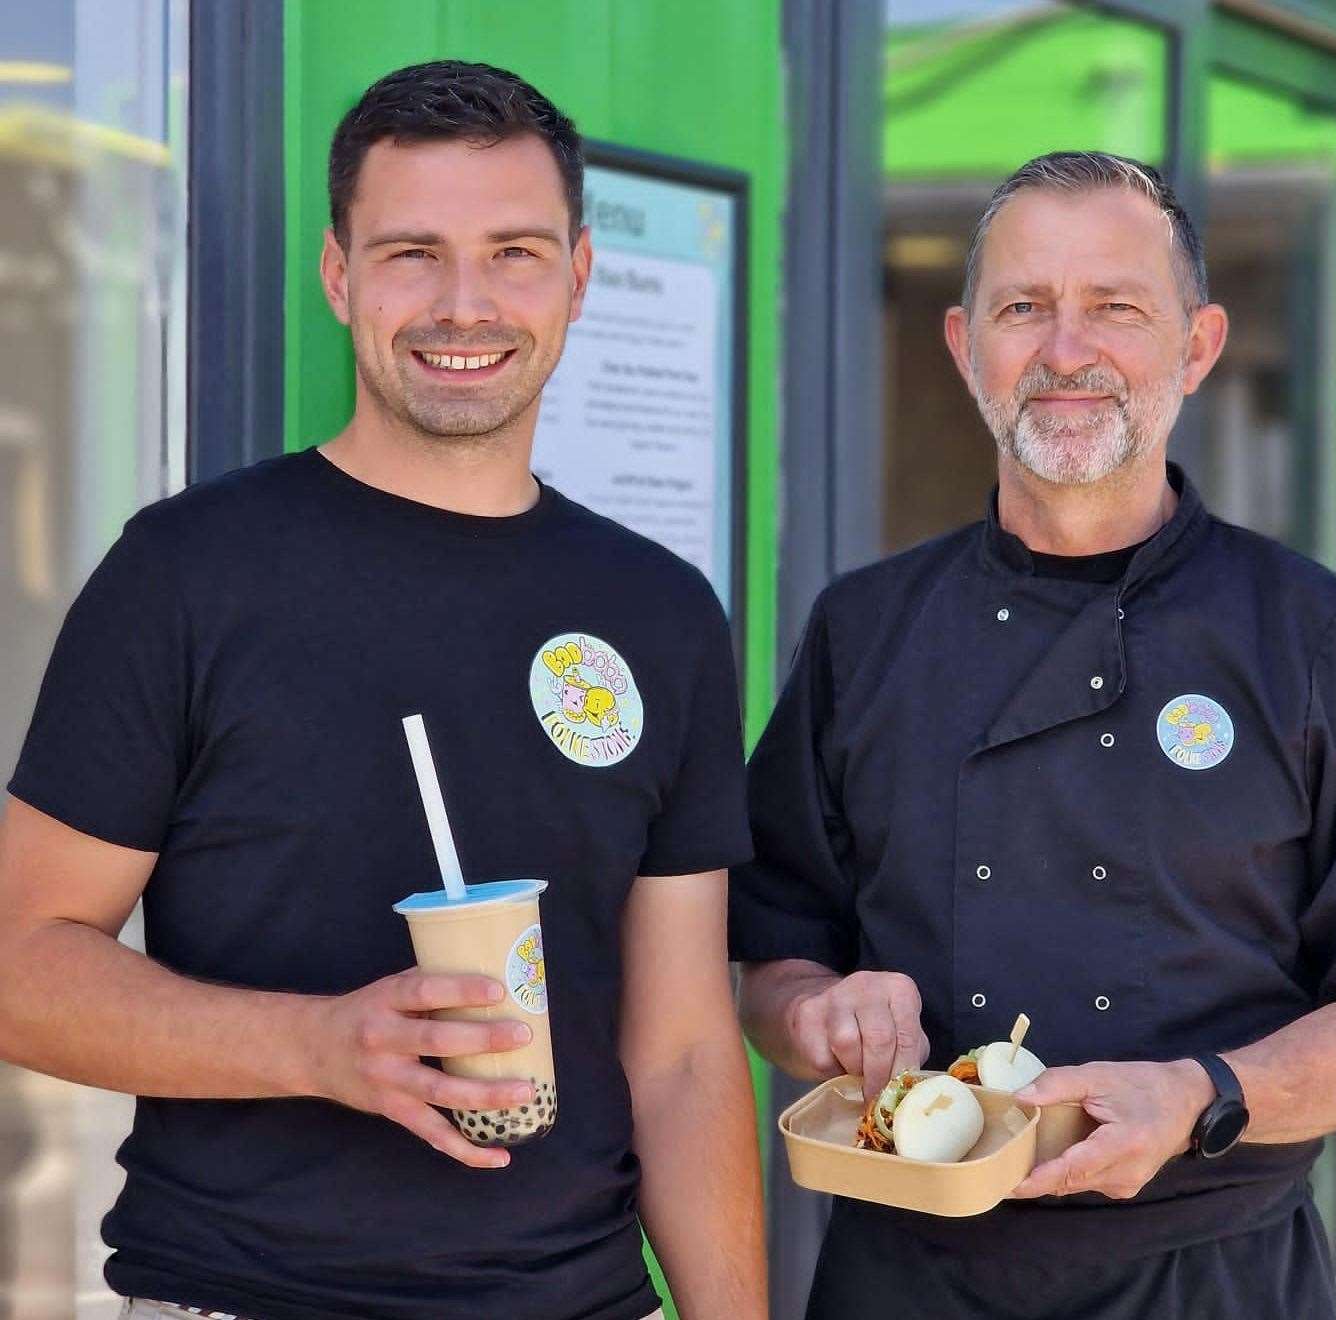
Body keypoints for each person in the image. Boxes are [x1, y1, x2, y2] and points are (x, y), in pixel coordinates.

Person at [0, 61, 765, 1320]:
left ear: (578, 277)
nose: (465, 303)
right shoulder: (189, 573)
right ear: (338, 274)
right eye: (412, 252)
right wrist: (317, 1047)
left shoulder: (660, 612)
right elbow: (27, 966)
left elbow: (682, 1052)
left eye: (515, 251)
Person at [731, 151, 1336, 1319]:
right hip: (912, 1277)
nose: (1066, 351)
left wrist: (1200, 1094)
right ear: (962, 343)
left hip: (1214, 1279)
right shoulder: (865, 629)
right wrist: (812, 1014)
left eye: (1115, 309)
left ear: (1196, 345)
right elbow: (771, 967)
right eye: (1024, 307)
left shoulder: (1309, 632)